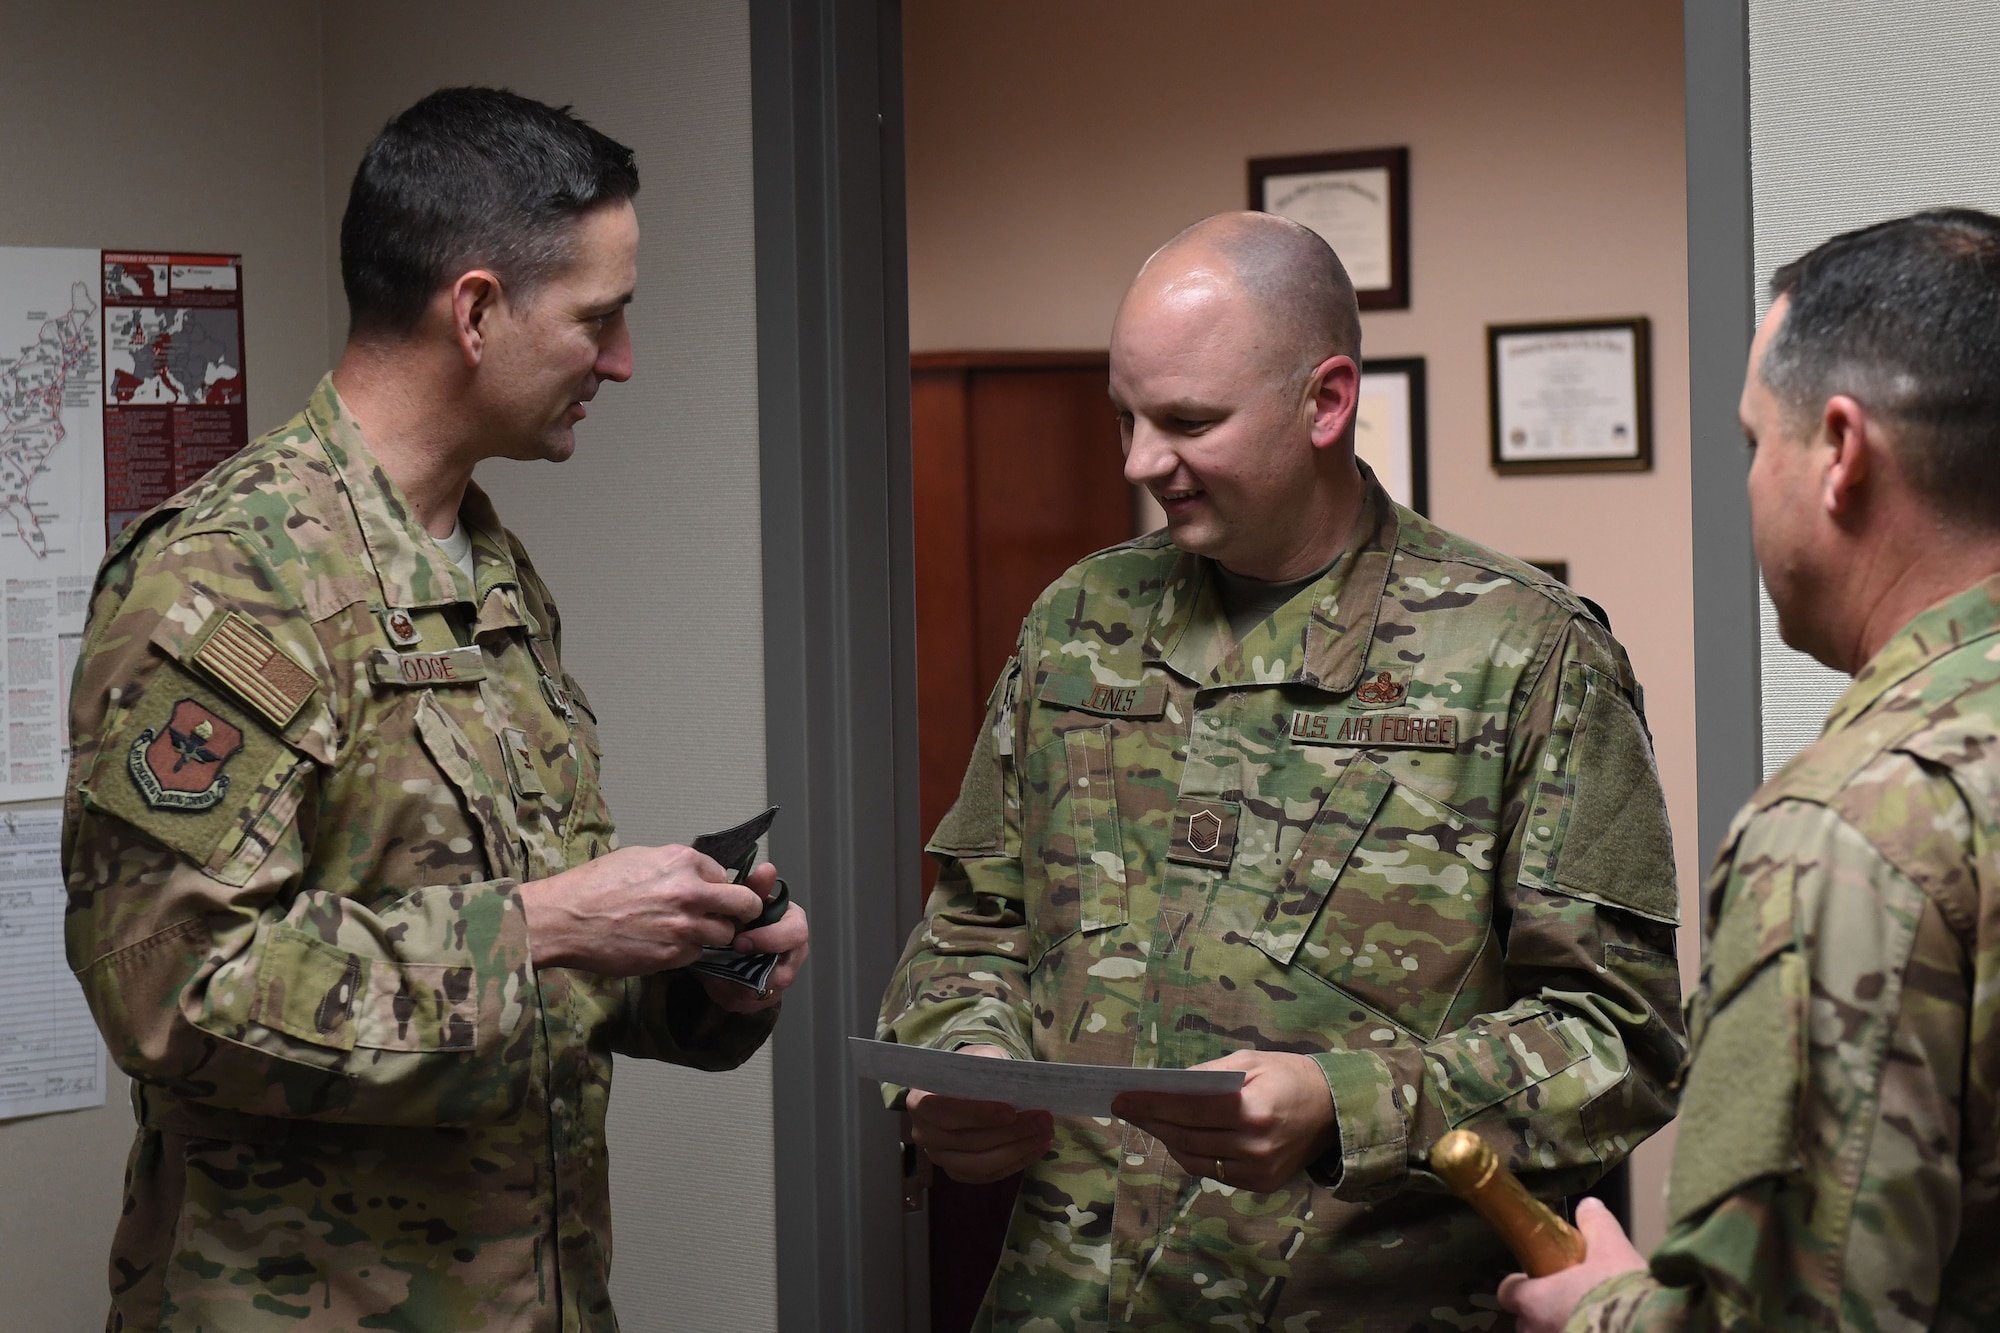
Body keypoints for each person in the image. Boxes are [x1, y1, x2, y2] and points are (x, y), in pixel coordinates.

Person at [62, 87, 808, 1332]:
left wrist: (690, 968)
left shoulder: (489, 573)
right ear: (474, 310)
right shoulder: (227, 580)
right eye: (600, 318)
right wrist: (540, 926)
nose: (622, 360)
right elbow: (168, 989)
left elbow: (535, 952)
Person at [877, 211, 1687, 1329]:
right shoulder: (1076, 623)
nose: (1137, 462)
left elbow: (1622, 1035)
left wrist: (1346, 1104)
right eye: (1123, 416)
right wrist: (957, 1061)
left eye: (1186, 421)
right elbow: (974, 927)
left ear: (1325, 401)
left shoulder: (1523, 651)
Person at [1498, 209, 2000, 1332]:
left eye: (1749, 441)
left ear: (1838, 450)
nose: (1747, 479)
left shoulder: (1854, 829)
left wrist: (1604, 1312)